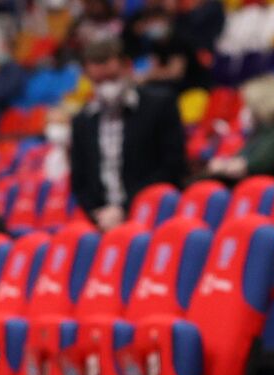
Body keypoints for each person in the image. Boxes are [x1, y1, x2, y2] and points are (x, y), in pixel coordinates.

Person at [70, 37, 188, 230]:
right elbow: (80, 181)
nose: (106, 87)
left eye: (112, 78)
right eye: (98, 81)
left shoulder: (159, 105)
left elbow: (172, 166)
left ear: (127, 68)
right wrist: (98, 213)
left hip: (155, 213)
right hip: (104, 222)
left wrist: (125, 208)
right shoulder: (82, 122)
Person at [205, 73, 274, 181]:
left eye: (249, 105)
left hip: (265, 192)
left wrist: (224, 166)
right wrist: (225, 163)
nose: (246, 110)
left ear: (261, 105)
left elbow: (254, 165)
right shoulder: (261, 130)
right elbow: (240, 157)